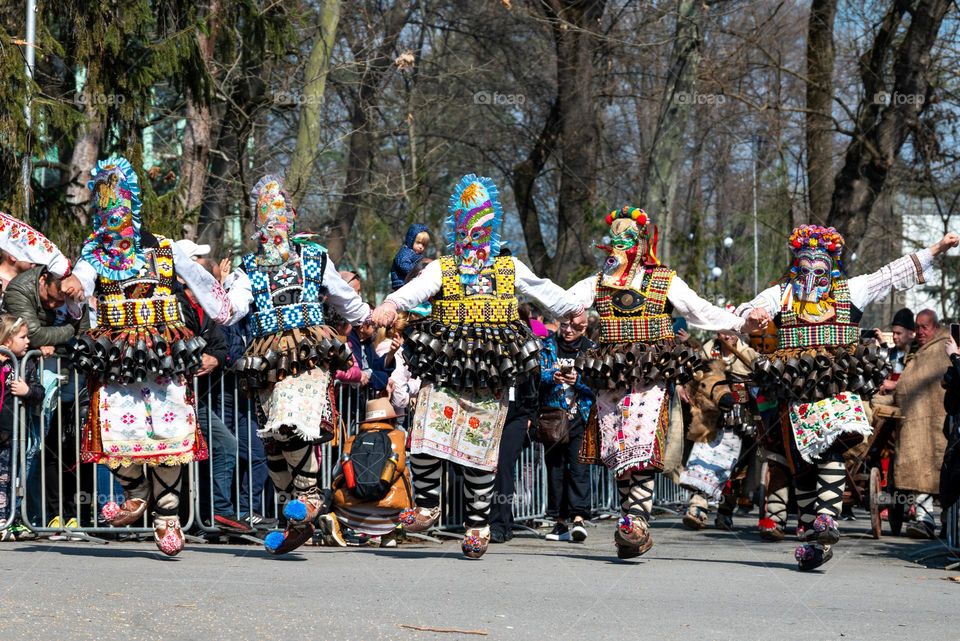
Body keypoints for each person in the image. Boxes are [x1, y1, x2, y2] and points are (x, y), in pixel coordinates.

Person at [371, 173, 583, 559]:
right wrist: (390, 304)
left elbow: (543, 288)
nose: (476, 236)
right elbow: (412, 292)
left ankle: (478, 524)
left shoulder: (508, 267)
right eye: (468, 227)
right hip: (447, 365)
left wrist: (571, 306)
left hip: (492, 369)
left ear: (492, 227)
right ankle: (428, 506)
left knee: (481, 449)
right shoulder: (444, 267)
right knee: (424, 432)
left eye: (483, 227)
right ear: (457, 227)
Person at [737, 226, 958, 570]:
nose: (812, 275)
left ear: (832, 266)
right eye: (805, 266)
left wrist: (937, 248)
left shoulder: (849, 291)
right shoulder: (781, 294)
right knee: (802, 467)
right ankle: (815, 539)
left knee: (833, 445)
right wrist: (751, 316)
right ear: (796, 265)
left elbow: (891, 274)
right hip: (795, 394)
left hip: (836, 387)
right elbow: (747, 312)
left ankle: (827, 519)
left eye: (820, 268)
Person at [57, 157, 236, 556]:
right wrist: (73, 286)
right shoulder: (95, 255)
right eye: (107, 205)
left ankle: (168, 516)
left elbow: (209, 292)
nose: (115, 214)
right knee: (119, 429)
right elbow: (81, 283)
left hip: (164, 355)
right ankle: (136, 496)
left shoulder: (165, 249)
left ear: (134, 207)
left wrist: (230, 307)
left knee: (170, 434)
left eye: (121, 203)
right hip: (117, 358)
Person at [566, 206, 765, 559]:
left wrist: (740, 322)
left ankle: (637, 521)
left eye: (628, 239)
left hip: (649, 374)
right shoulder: (596, 282)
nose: (620, 247)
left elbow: (699, 310)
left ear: (642, 243)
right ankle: (632, 522)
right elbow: (563, 303)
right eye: (614, 240)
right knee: (617, 446)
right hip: (610, 374)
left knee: (641, 442)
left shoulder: (663, 280)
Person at [212, 175, 372, 555]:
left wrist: (370, 314)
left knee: (290, 421)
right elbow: (232, 309)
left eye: (279, 218)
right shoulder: (247, 268)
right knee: (272, 441)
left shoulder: (316, 258)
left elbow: (345, 298)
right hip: (267, 359)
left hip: (309, 350)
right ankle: (294, 518)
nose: (274, 228)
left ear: (291, 219)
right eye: (266, 220)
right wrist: (213, 291)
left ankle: (310, 497)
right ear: (256, 226)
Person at [680, 330, 758, 531]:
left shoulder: (749, 355)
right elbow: (696, 380)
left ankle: (725, 513)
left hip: (742, 420)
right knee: (704, 462)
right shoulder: (706, 354)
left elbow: (760, 383)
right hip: (711, 419)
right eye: (724, 332)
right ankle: (697, 508)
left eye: (732, 333)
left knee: (736, 471)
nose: (728, 337)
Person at [539, 310, 595, 542]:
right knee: (555, 470)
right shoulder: (547, 346)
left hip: (581, 417)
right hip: (553, 416)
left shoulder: (592, 349)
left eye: (576, 327)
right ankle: (559, 522)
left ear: (585, 328)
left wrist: (578, 382)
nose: (569, 330)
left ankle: (579, 519)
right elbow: (535, 375)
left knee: (579, 468)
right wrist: (552, 376)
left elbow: (600, 385)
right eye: (564, 325)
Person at [894, 309, 950, 539]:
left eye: (924, 327)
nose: (919, 332)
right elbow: (910, 380)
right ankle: (924, 520)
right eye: (916, 327)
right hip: (918, 424)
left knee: (947, 475)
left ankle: (948, 524)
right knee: (920, 470)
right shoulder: (921, 350)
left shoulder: (943, 346)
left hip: (942, 423)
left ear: (935, 327)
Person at [330, 398, 412, 547]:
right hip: (389, 513)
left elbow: (336, 473)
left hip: (351, 512)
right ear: (391, 420)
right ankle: (389, 536)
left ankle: (337, 522)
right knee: (405, 474)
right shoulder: (399, 437)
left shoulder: (353, 440)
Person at [0, 316, 44, 540]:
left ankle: (7, 519)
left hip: (11, 432)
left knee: (8, 478)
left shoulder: (26, 364)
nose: (28, 342)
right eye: (23, 337)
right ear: (7, 341)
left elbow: (39, 392)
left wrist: (27, 390)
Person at [390, 224, 430, 291]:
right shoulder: (405, 252)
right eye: (418, 243)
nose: (421, 247)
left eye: (424, 245)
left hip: (408, 282)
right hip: (401, 282)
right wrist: (417, 271)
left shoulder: (416, 255)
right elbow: (404, 265)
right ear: (411, 240)